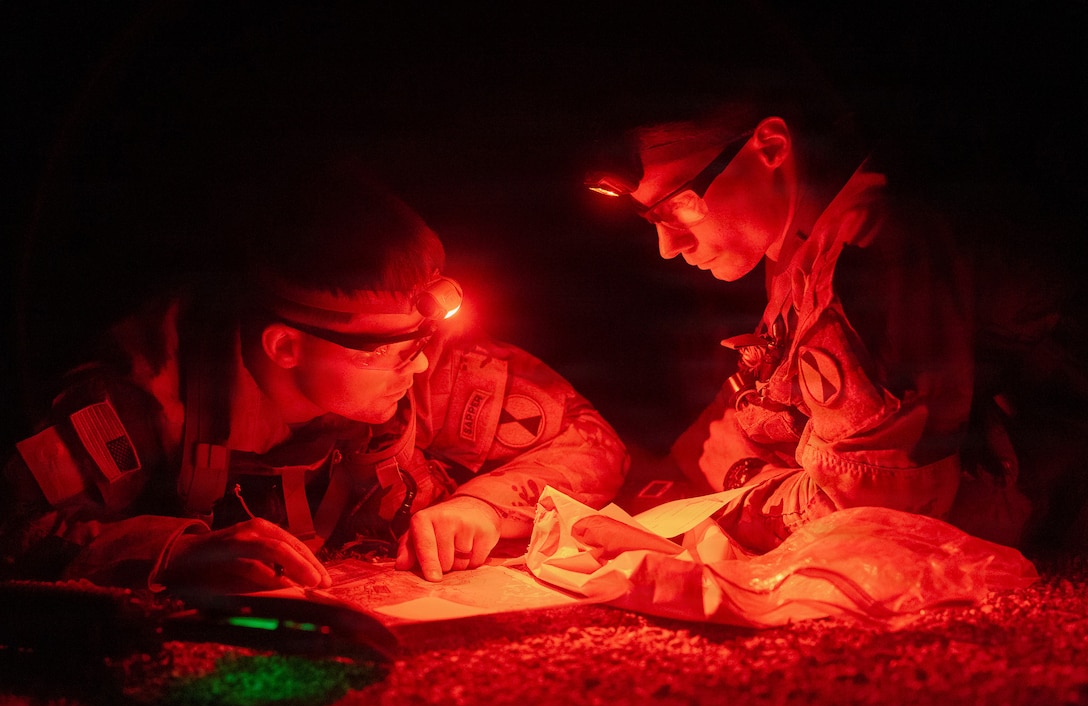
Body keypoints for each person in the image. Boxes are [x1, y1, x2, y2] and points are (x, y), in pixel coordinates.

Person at [0, 156, 627, 591]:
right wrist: (176, 552)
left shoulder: (415, 364)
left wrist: (484, 507)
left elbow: (590, 439)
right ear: (284, 346)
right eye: (388, 348)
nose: (424, 363)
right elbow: (17, 524)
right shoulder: (152, 390)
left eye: (426, 338)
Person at [583, 84, 1085, 554]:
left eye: (680, 206)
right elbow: (725, 431)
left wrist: (738, 480)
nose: (668, 247)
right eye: (650, 219)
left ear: (771, 147)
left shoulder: (866, 247)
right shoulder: (800, 241)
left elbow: (875, 514)